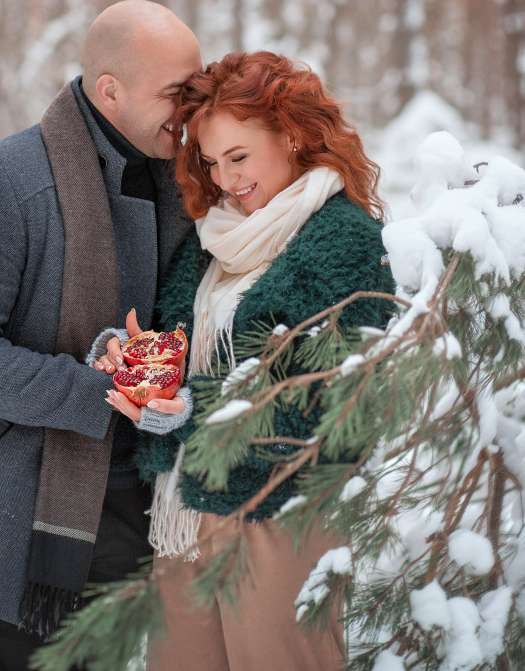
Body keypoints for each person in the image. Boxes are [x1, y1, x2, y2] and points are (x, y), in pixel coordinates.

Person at [0, 0, 202, 671]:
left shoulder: (181, 185)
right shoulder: (1, 182)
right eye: (174, 93)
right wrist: (94, 390)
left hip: (140, 508)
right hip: (19, 523)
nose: (191, 109)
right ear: (111, 90)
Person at [100, 51, 396, 671]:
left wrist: (179, 407)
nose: (227, 178)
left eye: (239, 157)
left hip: (278, 515)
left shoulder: (342, 239)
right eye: (211, 161)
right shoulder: (218, 235)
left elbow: (308, 396)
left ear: (291, 134)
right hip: (185, 508)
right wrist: (141, 367)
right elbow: (195, 350)